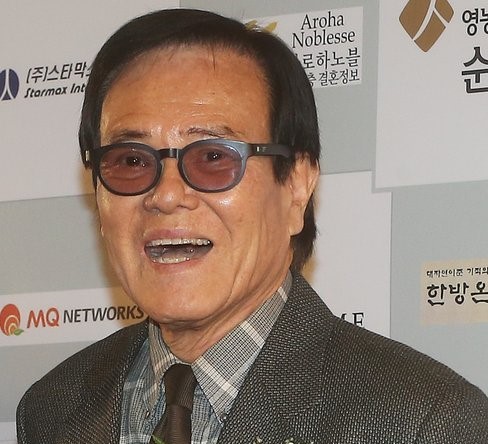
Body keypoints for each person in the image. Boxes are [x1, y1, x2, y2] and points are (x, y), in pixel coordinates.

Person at [17, 8, 488, 444]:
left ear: (297, 186)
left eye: (213, 157)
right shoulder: (52, 409)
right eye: (131, 161)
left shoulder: (425, 421)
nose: (165, 195)